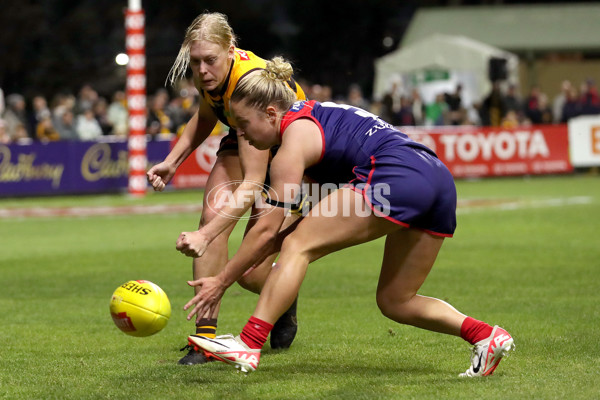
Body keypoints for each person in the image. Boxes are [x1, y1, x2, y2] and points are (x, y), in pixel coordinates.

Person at [182, 57, 514, 377]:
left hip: (395, 175)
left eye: (243, 124)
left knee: (298, 246)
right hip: (436, 178)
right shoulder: (314, 119)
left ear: (271, 114)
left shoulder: (290, 147)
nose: (242, 134)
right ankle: (485, 335)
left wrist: (220, 281)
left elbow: (268, 231)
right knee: (395, 300)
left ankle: (249, 344)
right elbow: (303, 224)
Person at [145, 12, 306, 365]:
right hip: (247, 136)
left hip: (294, 153)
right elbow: (205, 116)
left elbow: (250, 182)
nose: (202, 70)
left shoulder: (246, 85)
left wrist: (205, 237)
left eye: (210, 60)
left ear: (230, 51)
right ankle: (204, 340)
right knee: (211, 219)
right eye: (195, 61)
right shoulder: (212, 77)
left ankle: (282, 294)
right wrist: (173, 161)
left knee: (250, 270)